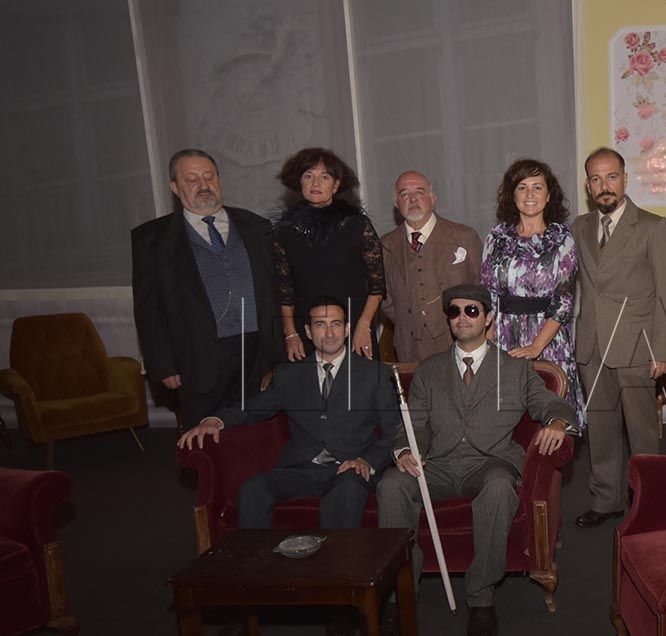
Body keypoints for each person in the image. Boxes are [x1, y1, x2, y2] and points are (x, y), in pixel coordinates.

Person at [179, 297, 399, 636]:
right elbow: (254, 409)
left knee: (344, 492)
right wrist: (215, 420)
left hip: (349, 468)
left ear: (347, 329)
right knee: (253, 489)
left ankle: (340, 605)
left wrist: (367, 461)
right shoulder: (289, 375)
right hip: (301, 468)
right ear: (308, 332)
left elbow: (393, 433)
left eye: (336, 324)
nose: (330, 332)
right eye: (321, 325)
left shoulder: (373, 374)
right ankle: (250, 601)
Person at [377, 284, 576, 636]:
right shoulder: (429, 370)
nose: (462, 318)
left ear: (487, 319)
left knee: (499, 487)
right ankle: (398, 595)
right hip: (437, 464)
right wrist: (405, 449)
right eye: (454, 311)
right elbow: (414, 423)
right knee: (391, 485)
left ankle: (481, 597)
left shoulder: (515, 368)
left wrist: (559, 422)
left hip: (489, 463)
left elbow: (548, 403)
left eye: (472, 310)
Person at [131, 148, 281, 428]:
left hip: (257, 353)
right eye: (192, 179)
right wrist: (163, 364)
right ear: (174, 187)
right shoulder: (151, 238)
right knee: (205, 438)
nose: (203, 185)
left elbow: (275, 289)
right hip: (197, 357)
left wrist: (279, 353)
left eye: (209, 176)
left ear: (219, 180)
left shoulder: (256, 226)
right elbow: (148, 308)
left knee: (258, 435)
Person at [572, 148, 666, 528]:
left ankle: (650, 502)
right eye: (596, 179)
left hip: (637, 346)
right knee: (600, 431)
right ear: (588, 186)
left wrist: (663, 349)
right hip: (592, 347)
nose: (605, 186)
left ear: (625, 179)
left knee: (642, 434)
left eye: (612, 177)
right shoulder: (579, 227)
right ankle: (606, 500)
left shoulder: (653, 227)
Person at [481, 159, 585, 427]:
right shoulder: (496, 238)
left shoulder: (562, 239)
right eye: (522, 187)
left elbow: (563, 302)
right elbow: (487, 295)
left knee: (551, 423)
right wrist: (489, 347)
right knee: (507, 424)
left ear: (548, 196)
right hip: (503, 340)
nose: (529, 194)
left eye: (537, 187)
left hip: (548, 341)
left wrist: (536, 346)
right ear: (512, 195)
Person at [272, 147, 385, 362]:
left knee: (360, 382)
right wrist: (290, 333)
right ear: (299, 181)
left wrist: (364, 325)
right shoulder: (284, 232)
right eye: (308, 176)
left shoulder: (357, 225)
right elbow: (285, 292)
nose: (315, 183)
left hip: (353, 328)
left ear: (336, 185)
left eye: (324, 177)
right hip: (306, 332)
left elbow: (377, 287)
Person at [379, 170, 483, 362]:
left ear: (433, 198)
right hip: (409, 350)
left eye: (419, 192)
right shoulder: (385, 246)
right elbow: (386, 301)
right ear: (396, 203)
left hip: (459, 345)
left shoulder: (464, 237)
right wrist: (412, 320)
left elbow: (482, 287)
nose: (412, 199)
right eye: (404, 194)